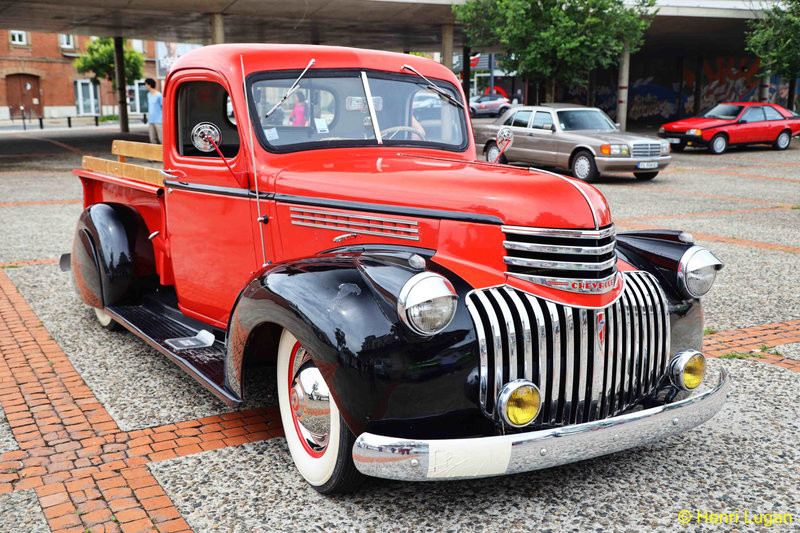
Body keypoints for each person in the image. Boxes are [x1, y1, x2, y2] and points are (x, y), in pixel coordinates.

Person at [145, 78, 163, 144]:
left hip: (159, 121)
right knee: (152, 139)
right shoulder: (148, 95)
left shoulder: (159, 95)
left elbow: (163, 107)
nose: (145, 86)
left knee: (161, 139)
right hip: (151, 120)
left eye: (146, 84)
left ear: (149, 85)